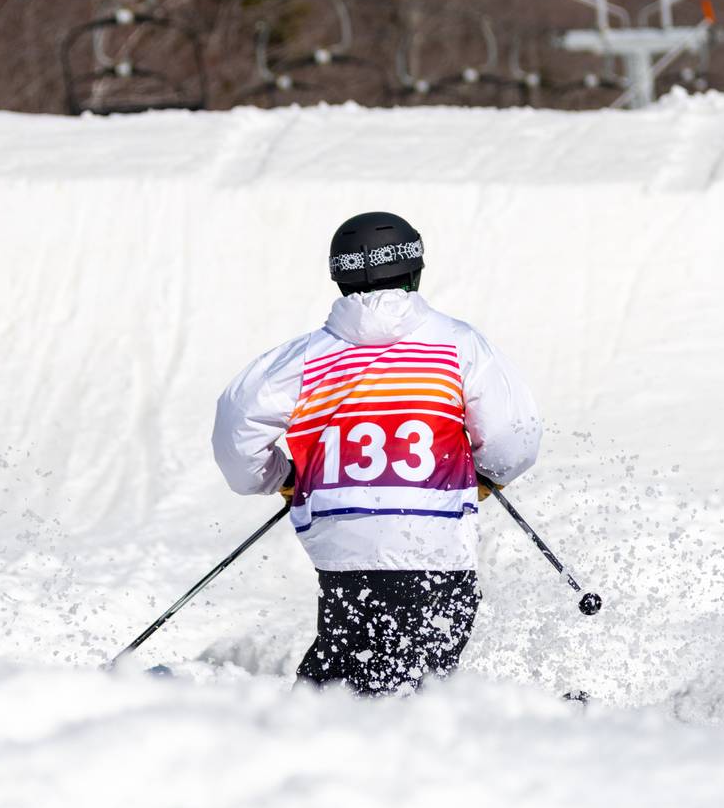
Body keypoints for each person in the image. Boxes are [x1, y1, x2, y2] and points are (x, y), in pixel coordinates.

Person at [212, 211, 542, 695]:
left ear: (338, 276)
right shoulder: (458, 344)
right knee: (418, 680)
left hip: (343, 547)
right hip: (435, 547)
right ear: (416, 271)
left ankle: (313, 727)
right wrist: (488, 477)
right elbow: (517, 437)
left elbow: (236, 437)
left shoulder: (305, 356)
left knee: (346, 665)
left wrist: (281, 477)